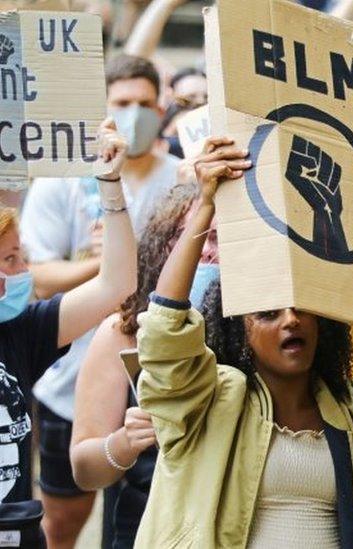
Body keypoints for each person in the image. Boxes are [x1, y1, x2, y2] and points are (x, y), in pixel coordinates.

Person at [132, 140, 353, 547]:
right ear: (239, 330)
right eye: (268, 313)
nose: (291, 320)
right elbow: (165, 332)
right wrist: (205, 204)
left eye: (302, 308)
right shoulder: (208, 404)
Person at [19, 54, 179, 548]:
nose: (135, 113)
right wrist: (105, 263)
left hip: (150, 386)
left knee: (135, 515)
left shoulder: (183, 180)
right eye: (123, 103)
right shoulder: (60, 181)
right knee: (63, 520)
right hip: (67, 381)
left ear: (162, 107)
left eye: (145, 103)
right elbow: (37, 278)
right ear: (102, 110)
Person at [0, 120, 136, 546]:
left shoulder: (22, 331)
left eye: (20, 257)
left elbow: (116, 285)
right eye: (9, 260)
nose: (25, 272)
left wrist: (110, 186)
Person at [69, 176, 217, 548]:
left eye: (219, 239)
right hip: (145, 523)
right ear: (162, 247)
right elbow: (84, 468)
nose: (208, 252)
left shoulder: (260, 330)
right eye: (193, 237)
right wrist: (123, 443)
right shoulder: (123, 332)